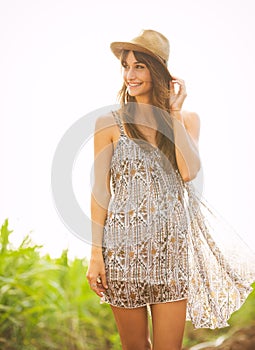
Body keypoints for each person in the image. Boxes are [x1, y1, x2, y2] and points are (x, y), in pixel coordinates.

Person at [86, 29, 255, 350]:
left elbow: (189, 172)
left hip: (170, 252)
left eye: (140, 66)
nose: (130, 75)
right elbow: (100, 189)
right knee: (135, 347)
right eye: (126, 66)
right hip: (122, 253)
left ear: (159, 70)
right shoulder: (109, 123)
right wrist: (96, 254)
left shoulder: (187, 119)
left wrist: (174, 111)